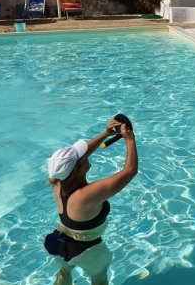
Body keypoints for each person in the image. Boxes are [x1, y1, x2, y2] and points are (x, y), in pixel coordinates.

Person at [47, 117, 138, 284]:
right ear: (77, 169)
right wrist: (130, 139)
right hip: (88, 252)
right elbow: (130, 171)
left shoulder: (58, 183)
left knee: (64, 272)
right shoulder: (87, 195)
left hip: (59, 243)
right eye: (81, 157)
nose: (86, 154)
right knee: (99, 280)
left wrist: (106, 134)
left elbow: (75, 161)